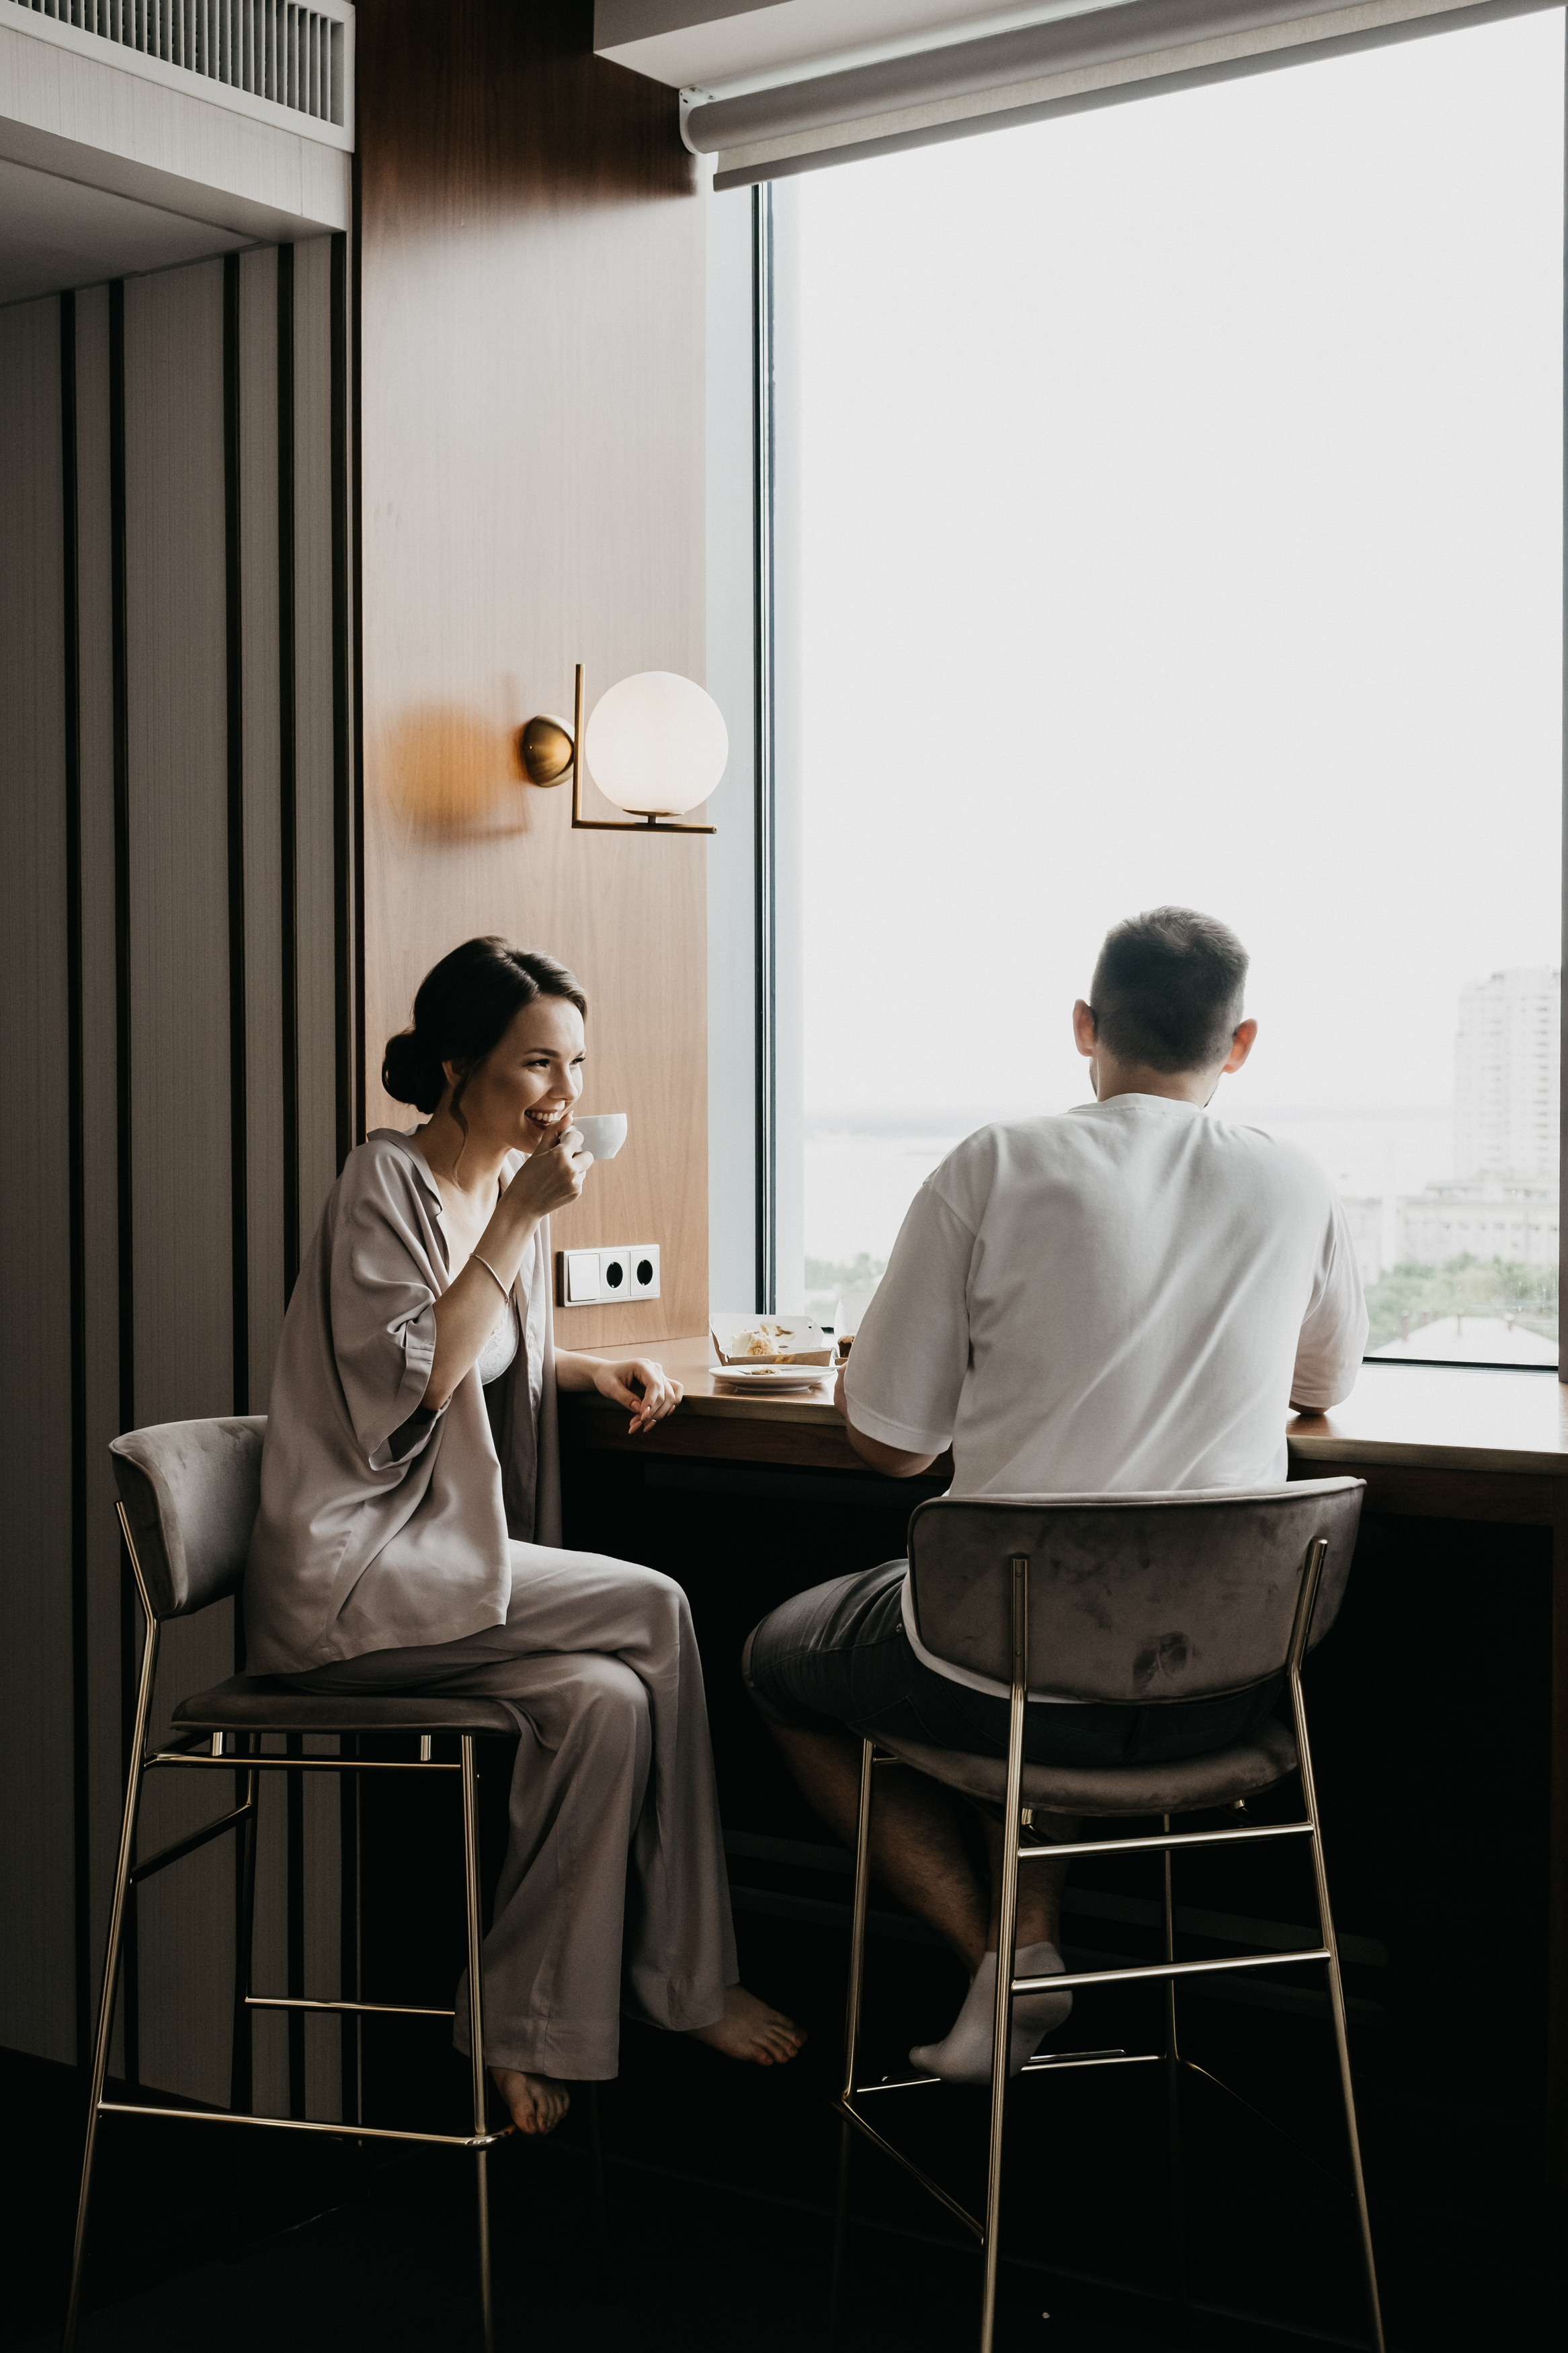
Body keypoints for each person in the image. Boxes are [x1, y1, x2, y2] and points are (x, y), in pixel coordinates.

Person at [743, 906, 1366, 2082]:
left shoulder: (996, 1161)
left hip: (1016, 1672)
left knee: (787, 1665)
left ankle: (1007, 1961)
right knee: (1042, 1621)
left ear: (1085, 1025)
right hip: (1226, 1689)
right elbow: (1324, 1380)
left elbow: (887, 1441)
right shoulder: (1297, 1179)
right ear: (1237, 1045)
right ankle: (1020, 1958)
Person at [246, 936, 803, 2137]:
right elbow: (419, 1376)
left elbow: (495, 1347)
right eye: (535, 1066)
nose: (564, 1095)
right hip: (352, 1580)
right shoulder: (384, 1182)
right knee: (655, 1606)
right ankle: (684, 1976)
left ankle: (521, 2018)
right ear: (458, 1069)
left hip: (428, 1568)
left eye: (577, 1065)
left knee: (602, 1703)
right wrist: (514, 1219)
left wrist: (589, 1365)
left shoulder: (507, 1190)